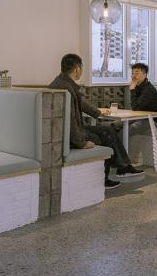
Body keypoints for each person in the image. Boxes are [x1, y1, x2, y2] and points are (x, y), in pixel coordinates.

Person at [49, 54, 144, 188]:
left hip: (64, 133)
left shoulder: (60, 83)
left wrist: (99, 112)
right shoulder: (67, 88)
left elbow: (82, 104)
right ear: (77, 69)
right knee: (103, 137)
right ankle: (106, 178)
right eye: (81, 68)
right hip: (69, 136)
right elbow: (70, 120)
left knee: (107, 129)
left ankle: (123, 166)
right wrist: (81, 143)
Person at [128, 62, 157, 136]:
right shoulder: (136, 87)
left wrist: (132, 90)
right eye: (132, 73)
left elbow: (135, 108)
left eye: (137, 73)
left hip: (153, 120)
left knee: (130, 128)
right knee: (115, 125)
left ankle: (117, 143)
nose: (133, 76)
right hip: (140, 117)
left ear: (144, 75)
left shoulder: (148, 89)